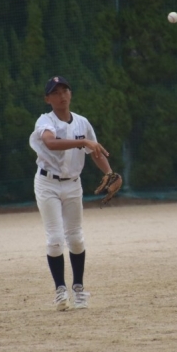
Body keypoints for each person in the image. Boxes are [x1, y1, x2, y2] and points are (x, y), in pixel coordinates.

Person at [29, 76, 114, 311]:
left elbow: (95, 151)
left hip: (73, 185)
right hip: (47, 184)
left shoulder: (82, 123)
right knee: (55, 239)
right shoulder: (45, 120)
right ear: (47, 99)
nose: (62, 96)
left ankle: (78, 288)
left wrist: (110, 174)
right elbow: (50, 142)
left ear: (71, 94)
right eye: (55, 92)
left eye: (65, 90)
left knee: (75, 238)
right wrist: (82, 142)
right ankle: (60, 290)